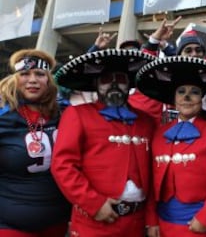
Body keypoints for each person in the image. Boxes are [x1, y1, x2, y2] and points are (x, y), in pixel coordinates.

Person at [136, 56, 206, 237]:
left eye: (194, 92)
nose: (186, 97)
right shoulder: (159, 133)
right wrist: (151, 220)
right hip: (164, 225)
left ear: (204, 98)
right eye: (181, 91)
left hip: (201, 225)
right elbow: (151, 182)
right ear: (174, 98)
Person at [51, 49, 157, 237]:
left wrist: (151, 219)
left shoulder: (146, 121)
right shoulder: (77, 114)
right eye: (107, 79)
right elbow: (63, 166)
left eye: (121, 79)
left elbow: (152, 174)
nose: (114, 84)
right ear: (96, 83)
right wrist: (94, 204)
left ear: (129, 84)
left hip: (136, 224)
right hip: (94, 223)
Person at [0, 49, 71, 236]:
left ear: (48, 80)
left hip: (59, 223)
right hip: (10, 224)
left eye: (40, 74)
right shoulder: (3, 118)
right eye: (24, 74)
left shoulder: (66, 114)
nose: (32, 80)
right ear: (15, 79)